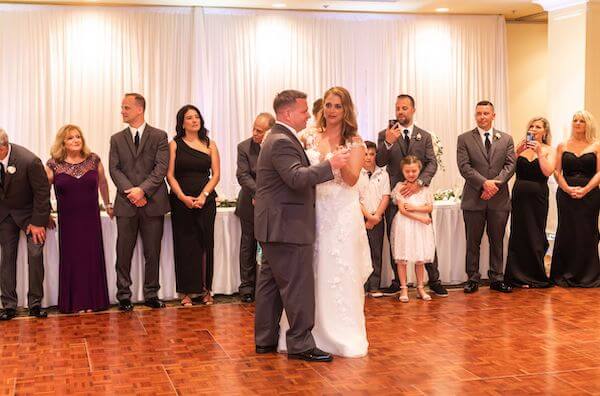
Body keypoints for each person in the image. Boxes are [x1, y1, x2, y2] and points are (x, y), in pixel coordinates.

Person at [254, 89, 349, 363]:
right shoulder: (281, 140)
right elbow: (296, 178)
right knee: (298, 287)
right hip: (288, 226)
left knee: (270, 288)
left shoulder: (277, 138)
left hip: (276, 226)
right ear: (287, 113)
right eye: (304, 110)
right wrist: (330, 166)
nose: (309, 114)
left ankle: (265, 340)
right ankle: (300, 343)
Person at [276, 86, 372, 358]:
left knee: (339, 270)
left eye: (337, 106)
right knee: (310, 272)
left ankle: (341, 332)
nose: (331, 111)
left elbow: (353, 179)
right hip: (315, 211)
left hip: (342, 212)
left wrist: (338, 162)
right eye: (328, 105)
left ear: (346, 110)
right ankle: (306, 333)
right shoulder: (308, 136)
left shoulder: (354, 140)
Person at [375, 94, 447, 297]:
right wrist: (388, 143)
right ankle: (399, 282)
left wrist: (419, 183)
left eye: (404, 108)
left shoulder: (423, 136)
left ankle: (434, 280)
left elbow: (432, 162)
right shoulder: (385, 134)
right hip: (395, 197)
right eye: (397, 108)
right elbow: (379, 161)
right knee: (396, 238)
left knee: (426, 238)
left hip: (419, 196)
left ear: (413, 110)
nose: (400, 112)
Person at [109, 93, 170, 311]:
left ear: (139, 110)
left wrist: (142, 191)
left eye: (126, 107)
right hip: (126, 204)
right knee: (123, 251)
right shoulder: (116, 139)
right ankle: (123, 295)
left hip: (153, 203)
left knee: (152, 252)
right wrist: (132, 193)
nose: (122, 111)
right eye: (122, 107)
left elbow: (161, 168)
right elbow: (114, 169)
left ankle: (151, 293)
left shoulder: (160, 136)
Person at [46, 125, 111, 313]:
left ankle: (94, 301)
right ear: (63, 143)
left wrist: (108, 204)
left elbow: (103, 183)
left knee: (91, 258)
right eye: (70, 138)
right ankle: (75, 303)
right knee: (73, 260)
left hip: (91, 219)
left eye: (78, 137)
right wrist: (45, 212)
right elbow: (41, 190)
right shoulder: (53, 164)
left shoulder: (93, 160)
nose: (76, 140)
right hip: (69, 222)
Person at [456, 100, 516, 294]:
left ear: (493, 115)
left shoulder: (506, 139)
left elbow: (510, 165)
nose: (482, 117)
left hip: (499, 200)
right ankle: (472, 278)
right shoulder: (464, 139)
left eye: (486, 113)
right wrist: (484, 183)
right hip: (474, 198)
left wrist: (494, 184)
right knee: (472, 241)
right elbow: (464, 167)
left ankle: (497, 278)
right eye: (479, 113)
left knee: (497, 241)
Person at [167, 105, 221, 306]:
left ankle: (207, 290)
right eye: (189, 118)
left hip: (205, 200)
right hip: (181, 201)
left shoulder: (210, 144)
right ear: (182, 123)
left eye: (197, 117)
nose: (194, 120)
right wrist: (182, 197)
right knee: (184, 246)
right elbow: (169, 175)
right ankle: (186, 292)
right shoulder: (174, 144)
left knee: (206, 244)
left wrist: (204, 195)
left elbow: (215, 174)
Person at [0, 128, 51, 320]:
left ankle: (35, 304)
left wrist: (38, 222)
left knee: (35, 255)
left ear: (3, 148)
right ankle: (9, 305)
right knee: (6, 257)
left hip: (31, 215)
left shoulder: (29, 160)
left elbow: (42, 192)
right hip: (5, 216)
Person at [551, 110, 600, 287]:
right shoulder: (562, 145)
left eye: (582, 121)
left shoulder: (597, 145)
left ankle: (588, 275)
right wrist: (566, 188)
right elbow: (556, 171)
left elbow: (599, 172)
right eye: (575, 120)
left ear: (588, 124)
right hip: (566, 195)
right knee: (567, 231)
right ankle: (564, 273)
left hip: (591, 195)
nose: (578, 123)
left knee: (587, 232)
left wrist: (586, 189)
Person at [504, 117, 555, 288]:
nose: (533, 129)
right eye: (531, 126)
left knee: (535, 233)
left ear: (545, 132)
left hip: (538, 197)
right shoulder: (521, 148)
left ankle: (535, 275)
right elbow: (508, 168)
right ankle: (517, 275)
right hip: (519, 195)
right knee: (519, 232)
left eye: (538, 127)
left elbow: (548, 172)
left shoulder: (549, 150)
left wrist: (540, 152)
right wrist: (517, 152)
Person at [235, 112, 275, 304]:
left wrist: (266, 196)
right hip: (249, 203)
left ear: (270, 131)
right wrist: (258, 194)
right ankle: (247, 286)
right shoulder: (244, 147)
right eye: (254, 129)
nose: (254, 133)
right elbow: (243, 175)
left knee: (270, 245)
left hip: (274, 204)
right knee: (248, 244)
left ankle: (267, 286)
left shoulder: (277, 146)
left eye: (259, 131)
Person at [390, 156, 435, 302]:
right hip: (405, 224)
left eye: (414, 171)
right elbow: (403, 210)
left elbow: (429, 206)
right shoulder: (399, 187)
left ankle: (420, 287)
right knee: (402, 258)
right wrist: (421, 217)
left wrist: (416, 208)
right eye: (407, 171)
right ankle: (403, 288)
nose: (411, 174)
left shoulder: (425, 187)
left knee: (419, 258)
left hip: (420, 227)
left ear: (419, 170)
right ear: (402, 171)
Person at [358, 140, 390, 297]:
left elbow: (385, 196)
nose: (368, 157)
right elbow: (355, 198)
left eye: (371, 154)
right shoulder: (355, 174)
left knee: (376, 252)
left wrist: (376, 216)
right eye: (365, 154)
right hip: (360, 218)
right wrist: (368, 217)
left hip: (377, 218)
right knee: (361, 252)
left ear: (376, 155)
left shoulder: (383, 174)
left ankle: (374, 286)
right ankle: (362, 286)